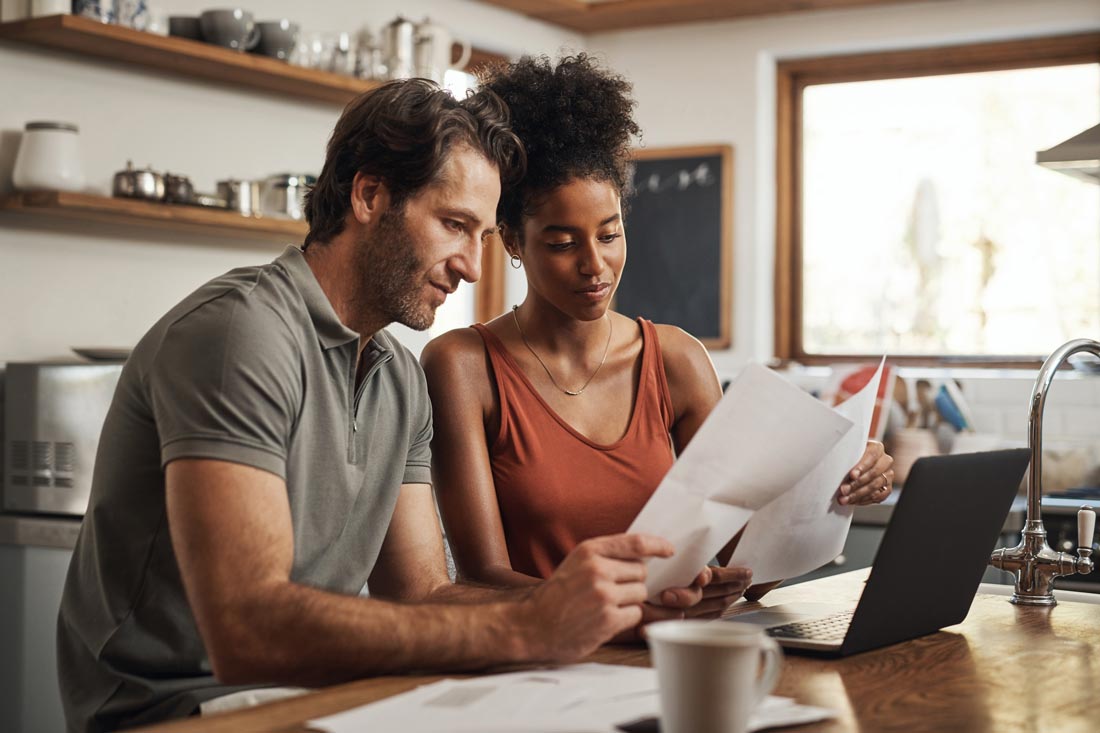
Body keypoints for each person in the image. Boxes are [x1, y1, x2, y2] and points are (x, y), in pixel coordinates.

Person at [56, 79, 685, 733]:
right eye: (453, 225)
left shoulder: (398, 379)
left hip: (315, 697)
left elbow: (423, 593)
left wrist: (614, 604)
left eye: (483, 238)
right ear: (369, 195)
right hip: (176, 710)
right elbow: (246, 629)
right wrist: (528, 625)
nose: (471, 266)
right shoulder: (241, 335)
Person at [420, 55, 895, 628]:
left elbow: (744, 567)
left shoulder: (675, 360)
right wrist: (624, 613)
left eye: (610, 233)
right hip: (541, 667)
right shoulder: (462, 366)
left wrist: (834, 489)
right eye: (562, 242)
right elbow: (481, 579)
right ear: (514, 242)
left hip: (670, 657)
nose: (595, 265)